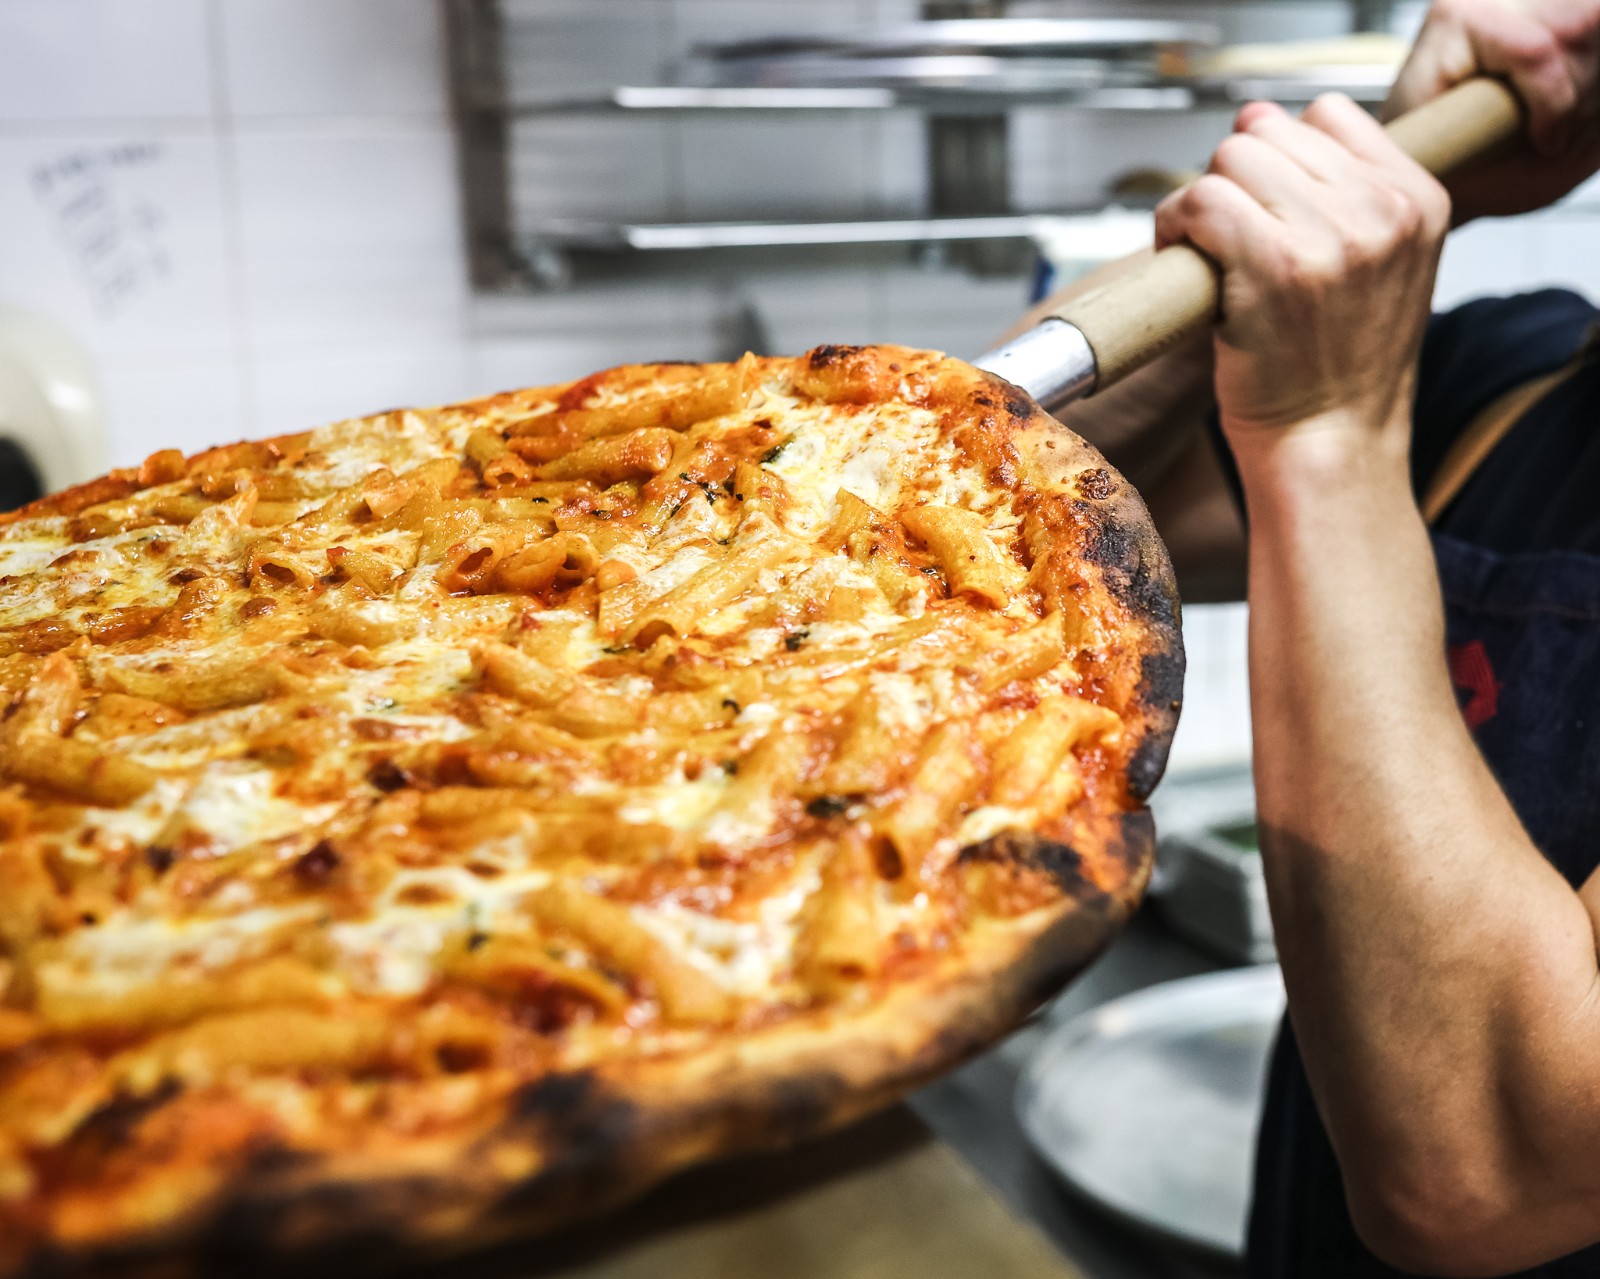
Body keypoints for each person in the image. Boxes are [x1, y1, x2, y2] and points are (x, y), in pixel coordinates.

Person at [1016, 1, 1600, 1273]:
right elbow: (994, 501)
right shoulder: (1513, 383)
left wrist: (1328, 432)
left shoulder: (1382, 410)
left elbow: (1480, 1167)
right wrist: (1381, 182)